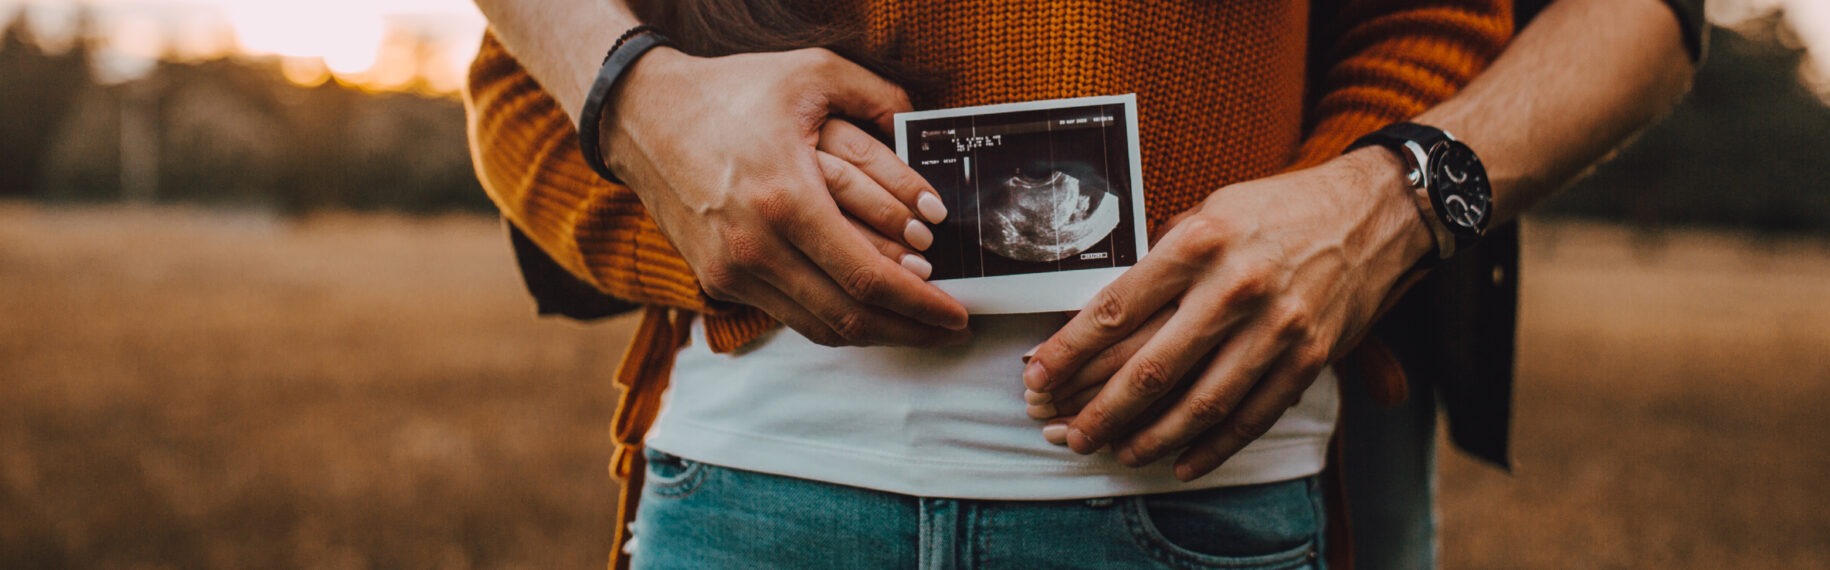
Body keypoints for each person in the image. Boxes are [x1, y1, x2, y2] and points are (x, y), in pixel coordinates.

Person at [464, 1, 1701, 568]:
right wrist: (638, 97)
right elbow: (524, 77)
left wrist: (1371, 203)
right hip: (748, 494)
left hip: (1202, 496)